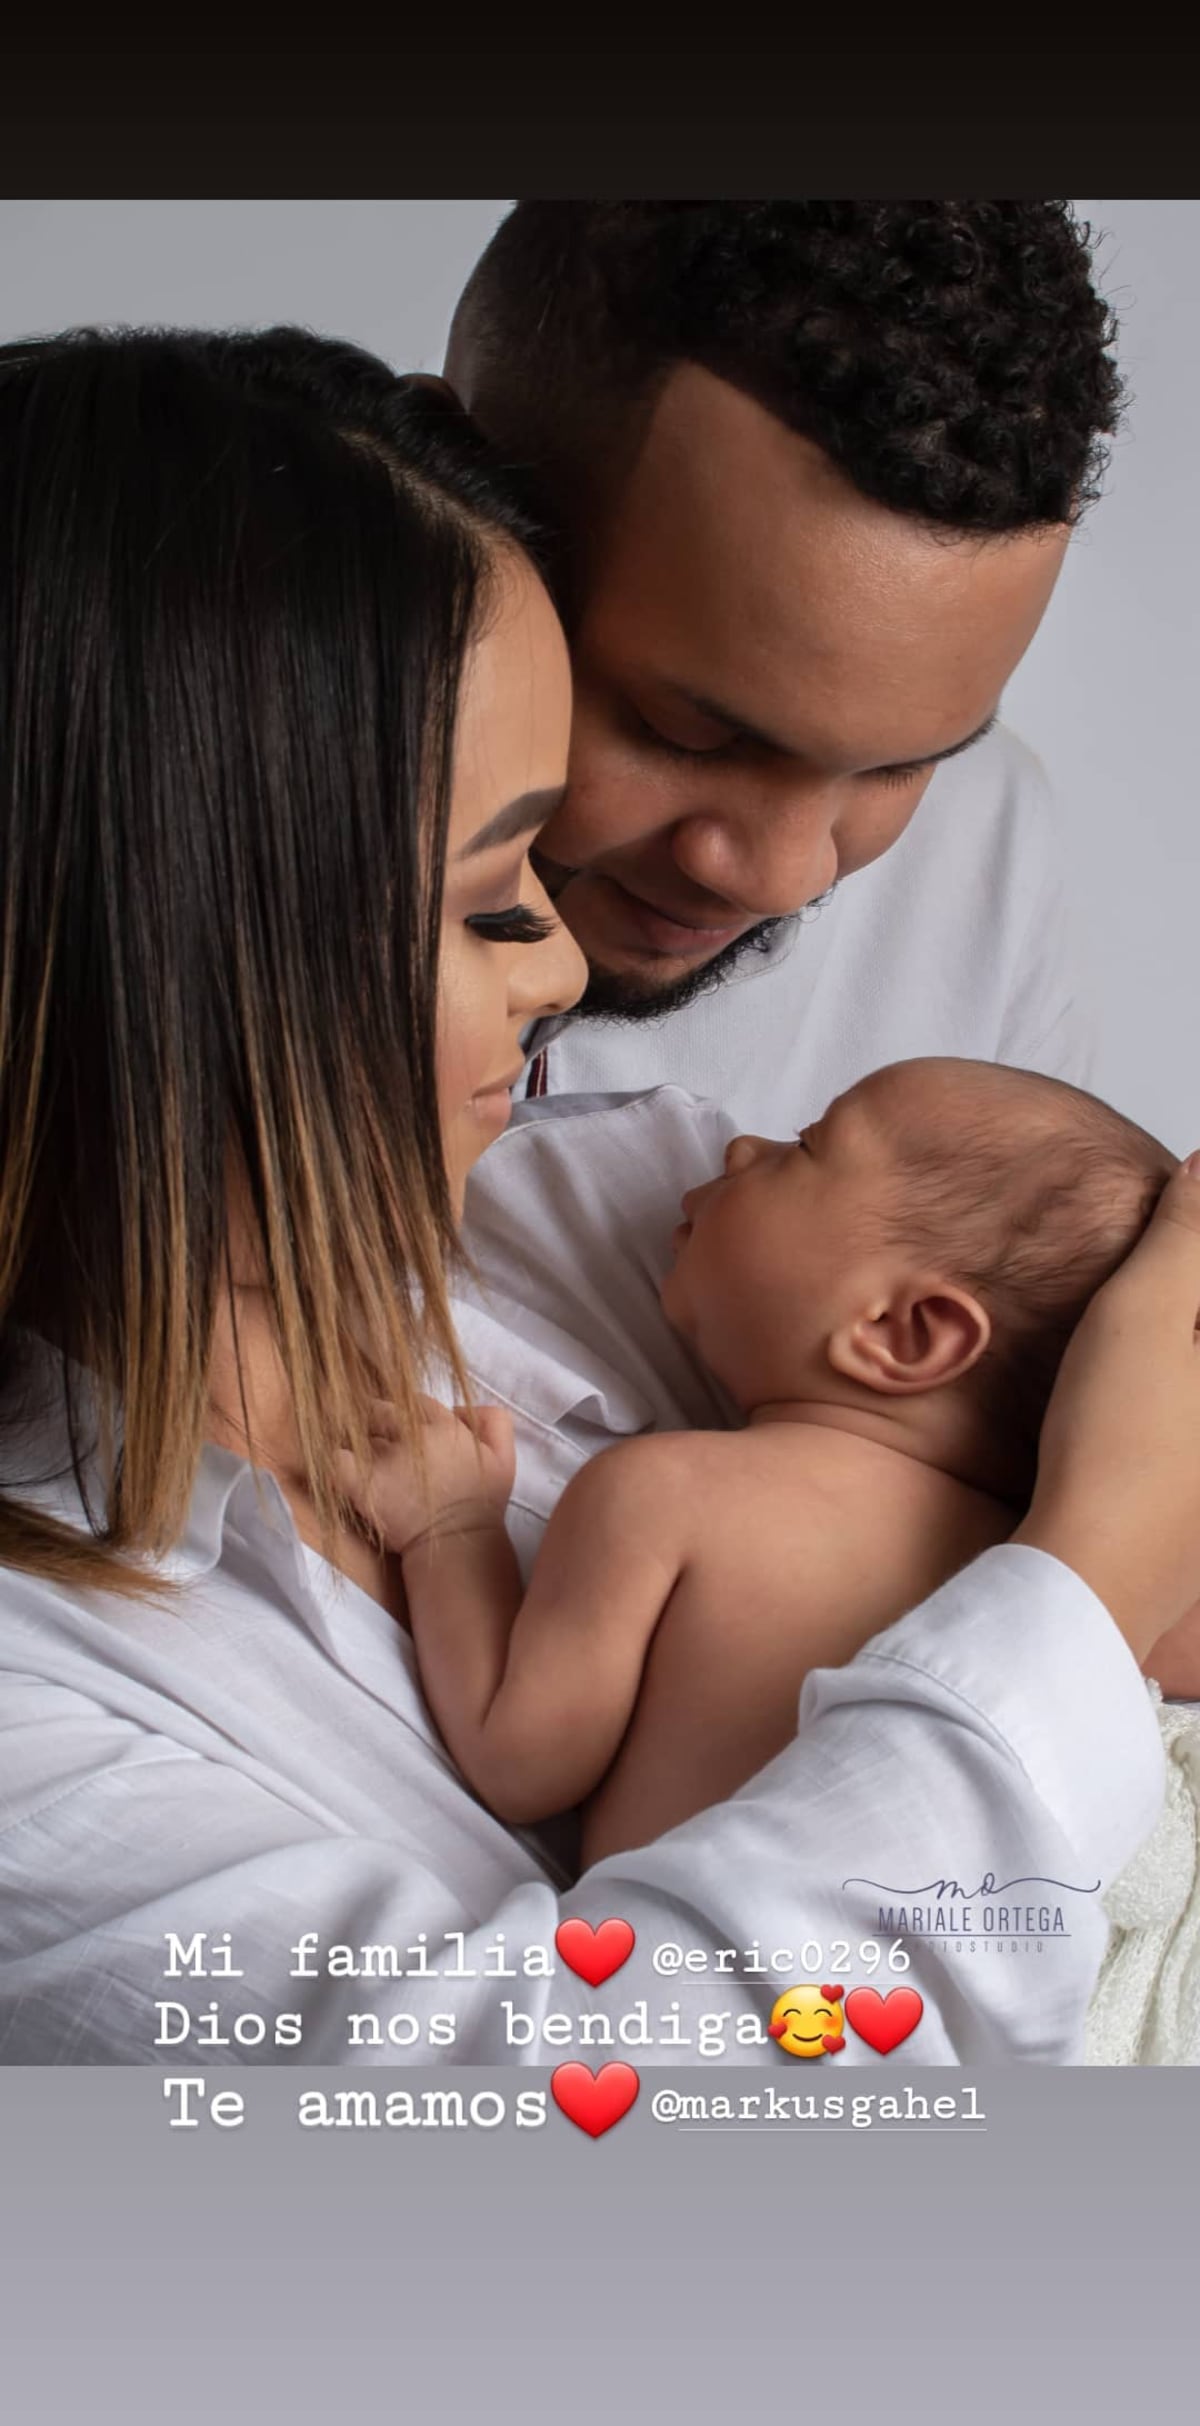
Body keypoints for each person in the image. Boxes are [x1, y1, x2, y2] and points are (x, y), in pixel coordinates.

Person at [0, 323, 1195, 2072]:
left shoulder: (638, 1203)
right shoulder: (50, 1714)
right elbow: (625, 2136)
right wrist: (1082, 1581)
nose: (564, 965)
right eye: (494, 900)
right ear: (168, 949)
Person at [341, 1058, 1178, 1866]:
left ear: (902, 1333)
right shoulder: (1038, 1590)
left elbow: (519, 1761)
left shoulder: (669, 1494)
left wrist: (449, 1527)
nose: (741, 1148)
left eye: (807, 1145)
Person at [444, 202, 1118, 1129]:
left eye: (901, 765)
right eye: (688, 736)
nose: (781, 878)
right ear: (441, 498)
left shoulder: (986, 857)